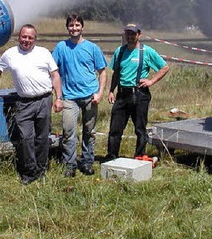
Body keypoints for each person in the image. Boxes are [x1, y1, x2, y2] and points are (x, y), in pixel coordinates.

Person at [0, 24, 63, 184]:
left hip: (44, 100)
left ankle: (41, 171)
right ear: (19, 37)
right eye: (24, 36)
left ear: (35, 39)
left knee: (42, 138)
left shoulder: (43, 53)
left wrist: (58, 98)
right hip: (23, 103)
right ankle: (29, 173)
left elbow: (55, 75)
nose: (26, 40)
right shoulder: (10, 54)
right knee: (25, 138)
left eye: (30, 37)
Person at [52, 13, 107, 177]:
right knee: (69, 132)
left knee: (89, 132)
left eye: (77, 25)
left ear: (82, 27)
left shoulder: (92, 48)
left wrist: (100, 93)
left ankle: (87, 162)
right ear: (67, 27)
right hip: (69, 97)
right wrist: (58, 97)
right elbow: (53, 71)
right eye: (71, 25)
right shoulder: (61, 47)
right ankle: (70, 165)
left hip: (90, 97)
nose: (74, 28)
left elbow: (102, 71)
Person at [106, 23, 169, 160]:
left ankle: (140, 156)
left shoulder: (147, 52)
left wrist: (151, 81)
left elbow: (164, 68)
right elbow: (116, 73)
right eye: (128, 33)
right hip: (122, 94)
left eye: (133, 33)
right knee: (115, 129)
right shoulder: (120, 51)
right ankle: (111, 157)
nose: (130, 36)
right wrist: (111, 90)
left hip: (140, 94)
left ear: (139, 35)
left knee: (140, 129)